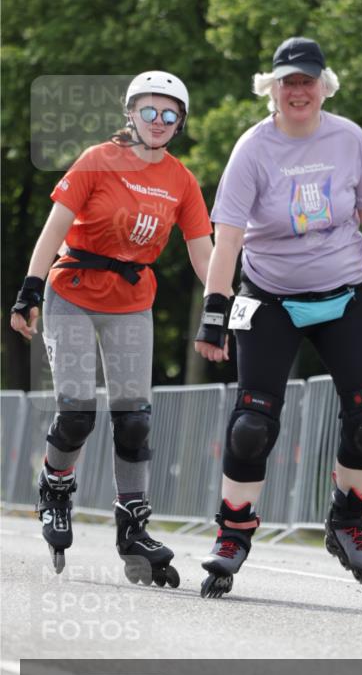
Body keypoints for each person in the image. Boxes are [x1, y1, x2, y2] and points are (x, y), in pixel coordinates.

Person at [194, 37, 362, 599]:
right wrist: (214, 311)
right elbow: (229, 237)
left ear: (323, 85)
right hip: (269, 299)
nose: (298, 90)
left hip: (343, 293)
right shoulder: (253, 148)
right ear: (272, 88)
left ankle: (347, 521)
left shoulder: (349, 138)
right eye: (287, 81)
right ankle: (233, 533)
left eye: (307, 80)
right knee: (252, 426)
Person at [10, 71, 212, 586]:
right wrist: (29, 289)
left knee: (135, 417)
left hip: (130, 301)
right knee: (77, 409)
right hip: (73, 291)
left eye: (170, 115)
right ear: (130, 113)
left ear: (180, 122)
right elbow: (54, 228)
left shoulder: (181, 180)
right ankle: (56, 487)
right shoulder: (98, 160)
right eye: (150, 111)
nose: (159, 122)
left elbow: (203, 252)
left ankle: (132, 525)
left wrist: (222, 304)